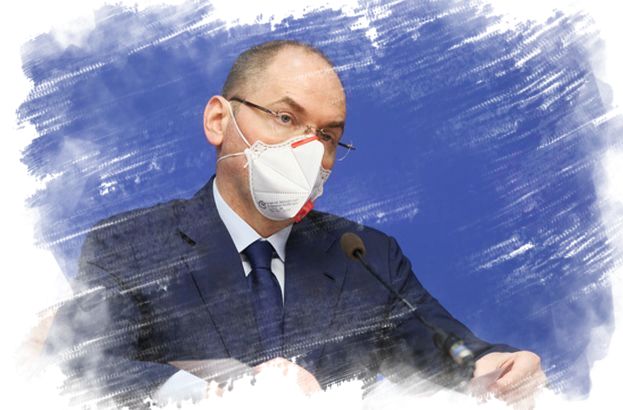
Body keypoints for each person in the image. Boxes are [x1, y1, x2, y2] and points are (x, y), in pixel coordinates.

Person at [44, 40, 546, 409]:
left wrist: (499, 369)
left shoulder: (365, 255)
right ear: (219, 121)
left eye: (326, 136)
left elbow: (450, 351)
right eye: (285, 119)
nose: (308, 150)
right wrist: (231, 395)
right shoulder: (130, 244)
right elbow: (80, 371)